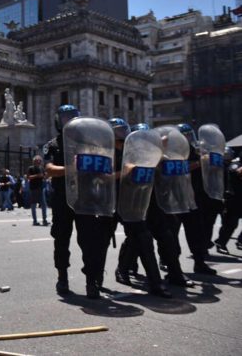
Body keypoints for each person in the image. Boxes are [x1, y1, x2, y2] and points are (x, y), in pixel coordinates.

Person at [44, 104, 111, 298]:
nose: (69, 121)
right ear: (58, 121)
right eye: (65, 118)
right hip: (62, 198)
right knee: (61, 239)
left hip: (86, 197)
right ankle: (62, 278)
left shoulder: (89, 144)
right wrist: (72, 169)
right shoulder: (53, 145)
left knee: (89, 241)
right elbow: (48, 170)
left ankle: (92, 281)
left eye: (72, 117)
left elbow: (102, 168)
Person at [108, 118, 171, 298]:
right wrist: (125, 171)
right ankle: (96, 279)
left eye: (123, 130)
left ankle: (155, 283)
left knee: (142, 238)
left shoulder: (134, 151)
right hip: (111, 202)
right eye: (117, 131)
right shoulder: (106, 153)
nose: (121, 134)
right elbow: (105, 177)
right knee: (100, 243)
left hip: (132, 201)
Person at [175, 123, 217, 275]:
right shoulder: (172, 151)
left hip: (194, 197)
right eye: (184, 135)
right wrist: (200, 163)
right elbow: (178, 168)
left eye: (188, 134)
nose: (187, 138)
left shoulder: (194, 150)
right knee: (171, 234)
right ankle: (170, 264)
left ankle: (199, 262)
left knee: (196, 232)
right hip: (177, 197)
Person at [214, 147, 241, 253]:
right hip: (233, 200)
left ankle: (240, 241)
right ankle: (221, 243)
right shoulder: (234, 165)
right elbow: (237, 172)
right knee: (231, 224)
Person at [27, 156, 48, 225]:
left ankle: (44, 220)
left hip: (41, 188)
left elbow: (44, 176)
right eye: (37, 161)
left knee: (44, 205)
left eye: (39, 161)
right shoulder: (31, 168)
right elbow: (29, 177)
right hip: (33, 189)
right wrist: (37, 176)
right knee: (33, 205)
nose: (38, 162)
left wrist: (45, 176)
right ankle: (35, 221)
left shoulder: (42, 168)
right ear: (34, 161)